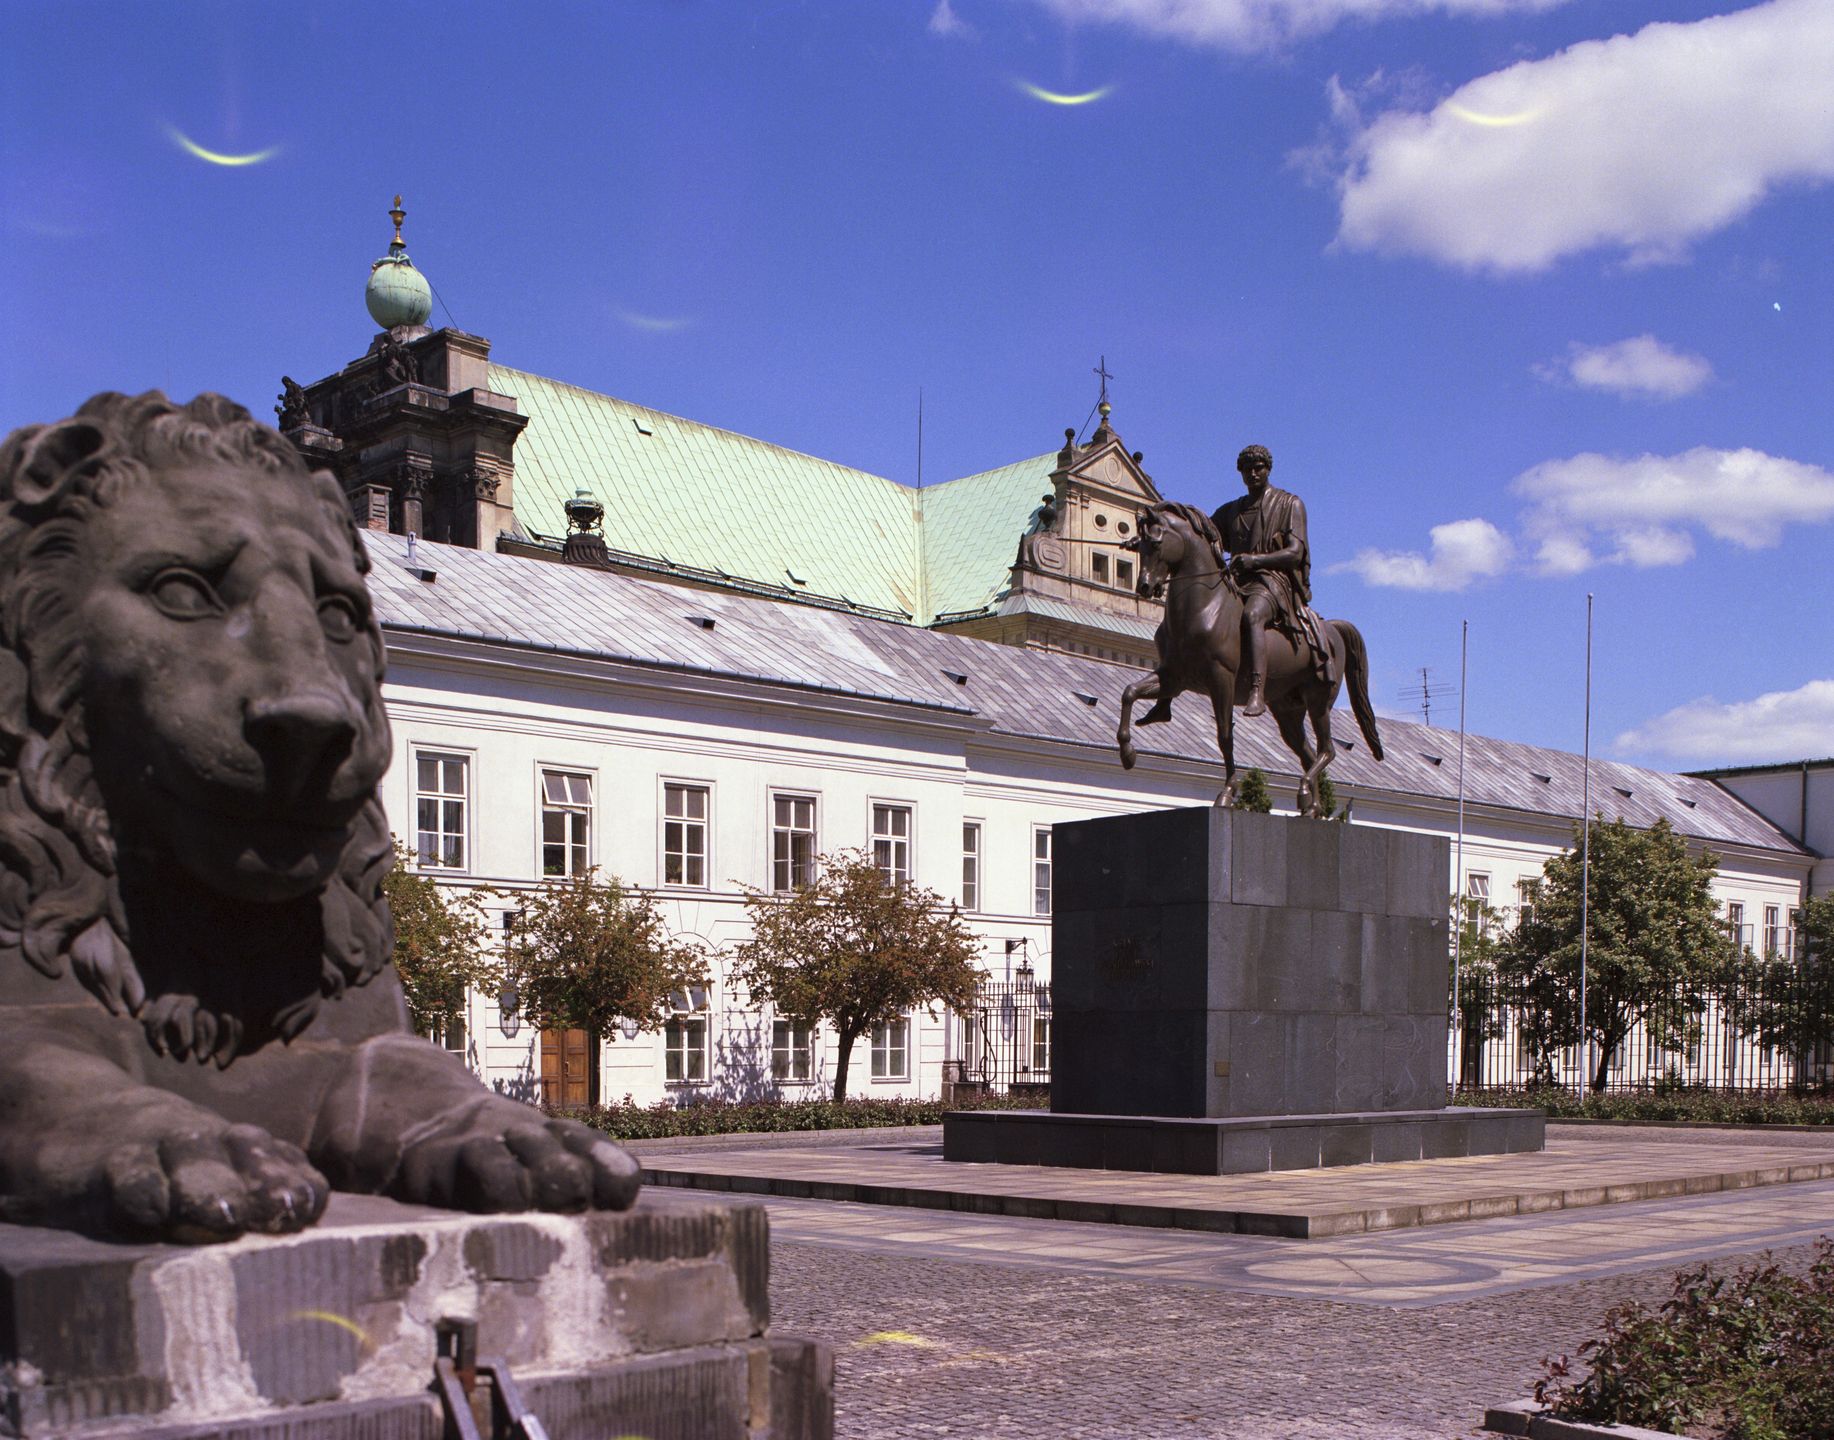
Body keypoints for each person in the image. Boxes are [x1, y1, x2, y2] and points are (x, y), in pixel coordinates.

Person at [1211, 444, 1315, 717]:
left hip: (1272, 581)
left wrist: (1255, 561)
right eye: (1247, 470)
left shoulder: (1289, 504)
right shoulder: (1230, 511)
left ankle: (1257, 690)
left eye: (1259, 468)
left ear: (1268, 469)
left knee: (1252, 615)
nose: (1253, 474)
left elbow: (1295, 552)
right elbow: (1202, 535)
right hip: (1236, 581)